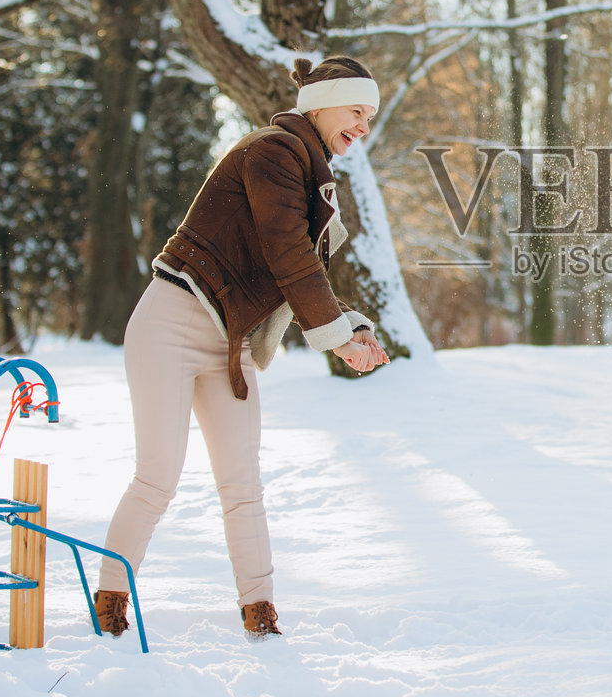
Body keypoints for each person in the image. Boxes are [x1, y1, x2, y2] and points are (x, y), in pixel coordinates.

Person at [94, 55, 391, 642]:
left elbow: (292, 276)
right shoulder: (274, 151)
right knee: (157, 477)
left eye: (371, 116)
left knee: (242, 483)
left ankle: (261, 615)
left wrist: (348, 326)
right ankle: (109, 601)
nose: (363, 125)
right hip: (170, 325)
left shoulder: (308, 171)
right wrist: (335, 340)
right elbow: (288, 254)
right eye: (357, 110)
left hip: (226, 344)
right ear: (320, 103)